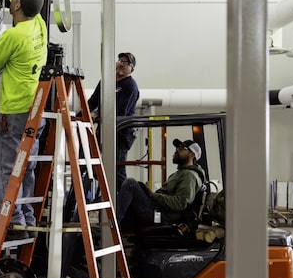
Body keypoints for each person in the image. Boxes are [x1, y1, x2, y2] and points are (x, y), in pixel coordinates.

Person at [0, 0, 48, 237]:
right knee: (27, 166)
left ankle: (14, 223)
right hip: (36, 110)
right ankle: (27, 218)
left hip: (14, 112)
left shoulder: (13, 35)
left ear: (17, 6)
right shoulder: (38, 24)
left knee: (3, 167)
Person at [116, 139, 205, 232]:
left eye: (182, 148)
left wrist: (152, 195)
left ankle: (112, 227)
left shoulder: (189, 176)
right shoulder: (181, 173)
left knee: (131, 184)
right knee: (134, 189)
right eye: (177, 147)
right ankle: (117, 227)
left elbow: (180, 203)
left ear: (192, 155)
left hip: (160, 216)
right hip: (158, 211)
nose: (177, 150)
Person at [86, 52, 140, 188]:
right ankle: (106, 195)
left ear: (131, 69)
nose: (121, 64)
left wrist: (99, 117)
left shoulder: (130, 86)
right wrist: (81, 114)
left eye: (126, 63)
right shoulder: (106, 81)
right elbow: (92, 102)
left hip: (120, 133)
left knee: (117, 169)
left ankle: (124, 201)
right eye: (120, 60)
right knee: (91, 163)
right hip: (104, 128)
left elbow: (121, 111)